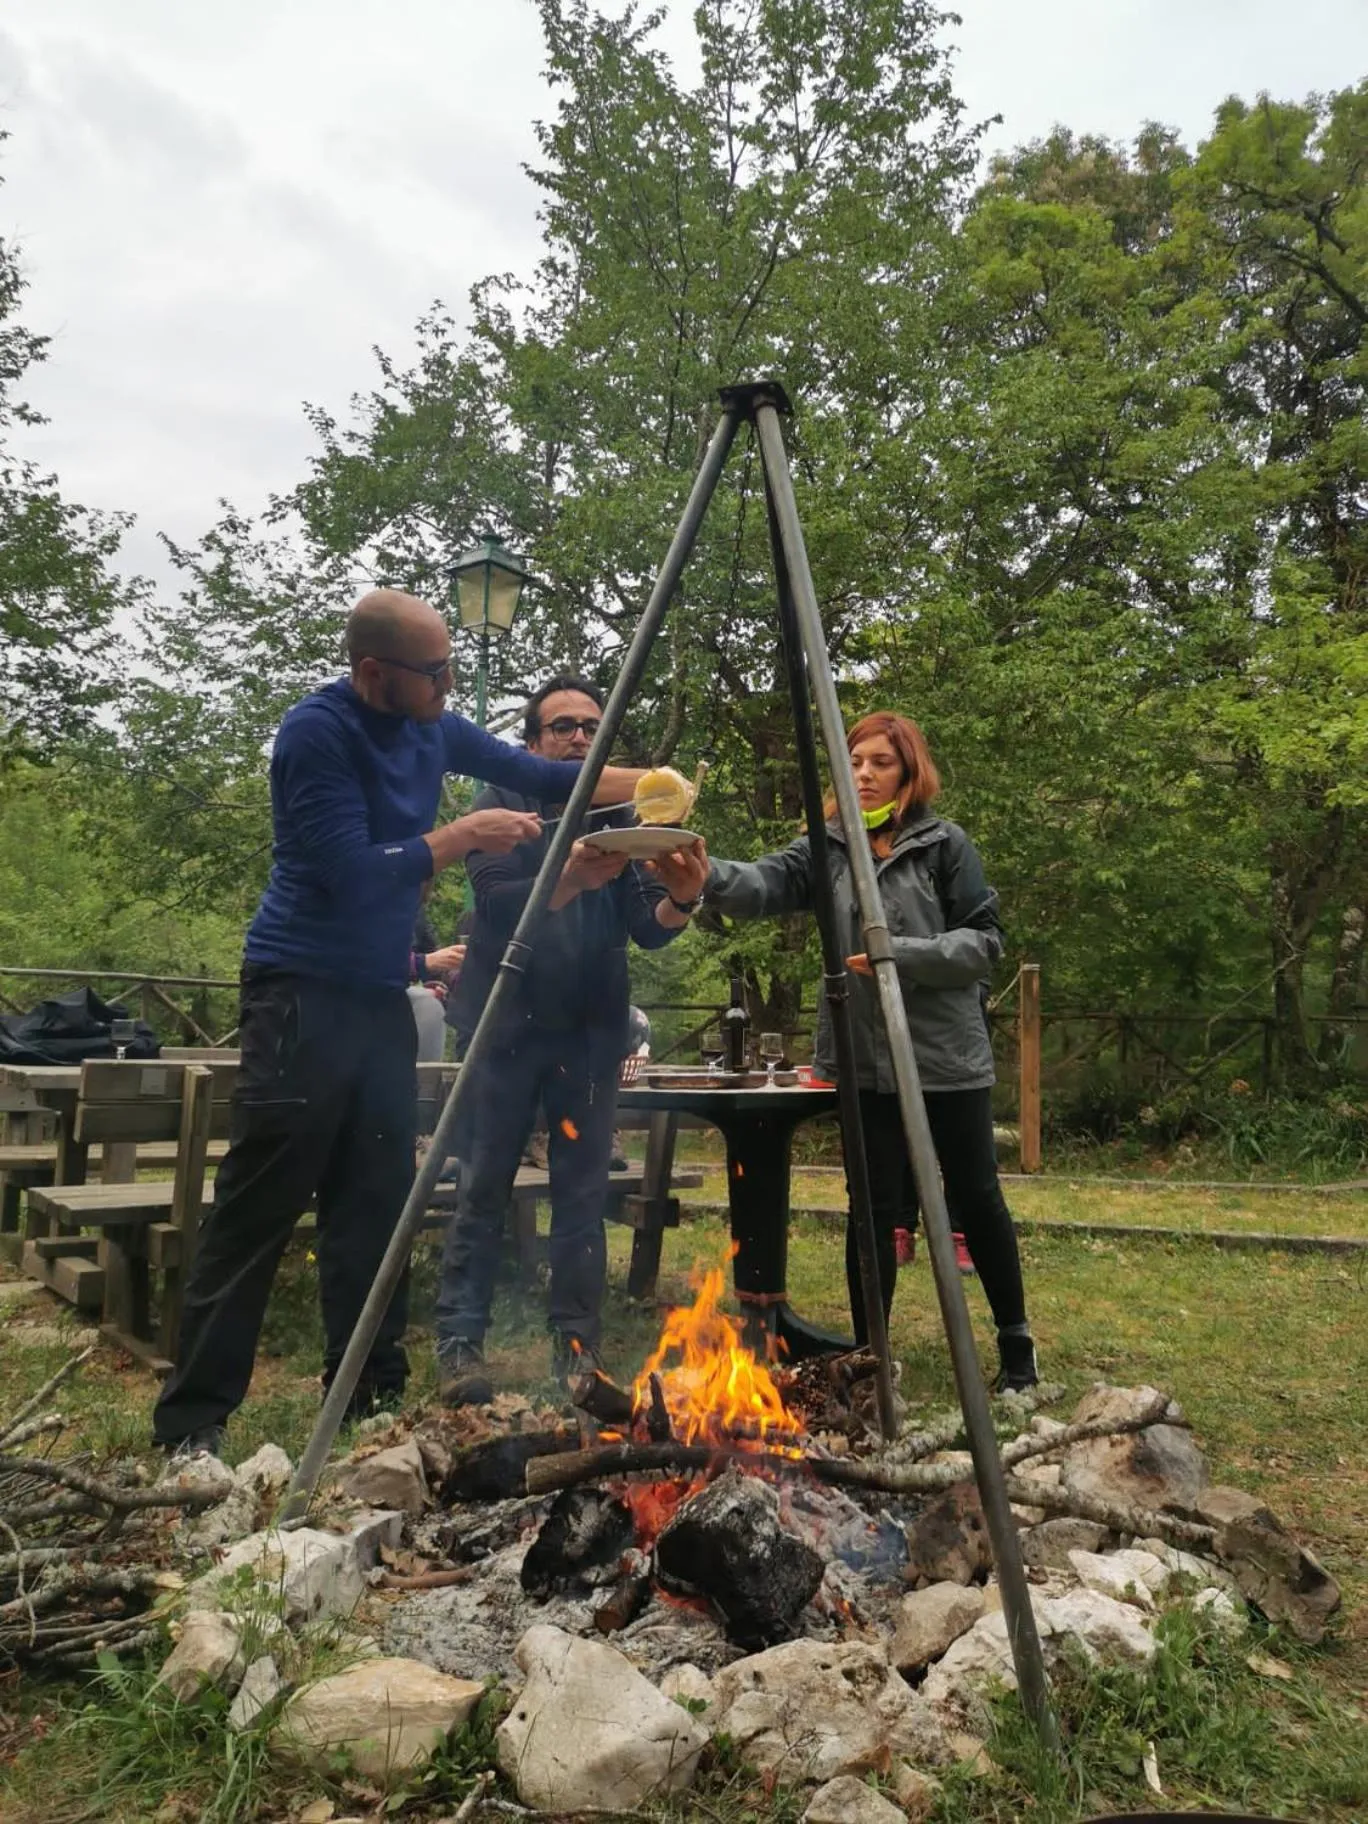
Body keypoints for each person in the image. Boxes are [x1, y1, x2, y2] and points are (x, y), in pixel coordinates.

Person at [152, 592, 649, 1457]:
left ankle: (369, 1396)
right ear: (374, 672)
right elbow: (347, 871)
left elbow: (546, 777)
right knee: (261, 1205)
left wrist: (654, 783)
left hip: (381, 994)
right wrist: (461, 835)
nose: (449, 685)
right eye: (435, 673)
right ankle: (194, 1424)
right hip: (299, 991)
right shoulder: (317, 733)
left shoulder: (433, 726)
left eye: (452, 667)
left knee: (374, 1200)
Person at [703, 710, 1039, 1393]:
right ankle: (870, 1360)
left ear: (910, 771)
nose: (864, 774)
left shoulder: (945, 846)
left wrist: (899, 953)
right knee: (872, 1210)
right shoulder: (826, 847)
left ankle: (1017, 1349)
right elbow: (761, 883)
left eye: (880, 762)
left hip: (945, 1058)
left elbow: (984, 942)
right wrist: (698, 872)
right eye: (854, 762)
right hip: (862, 1059)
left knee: (975, 1197)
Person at [435, 676, 709, 1403]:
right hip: (503, 1023)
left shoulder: (621, 815)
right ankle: (460, 1344)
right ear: (533, 742)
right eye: (563, 727)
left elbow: (649, 927)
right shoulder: (498, 801)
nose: (580, 738)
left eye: (592, 728)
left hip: (590, 1030)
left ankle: (578, 1351)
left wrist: (684, 896)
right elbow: (496, 908)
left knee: (582, 1195)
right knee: (482, 1184)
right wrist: (570, 877)